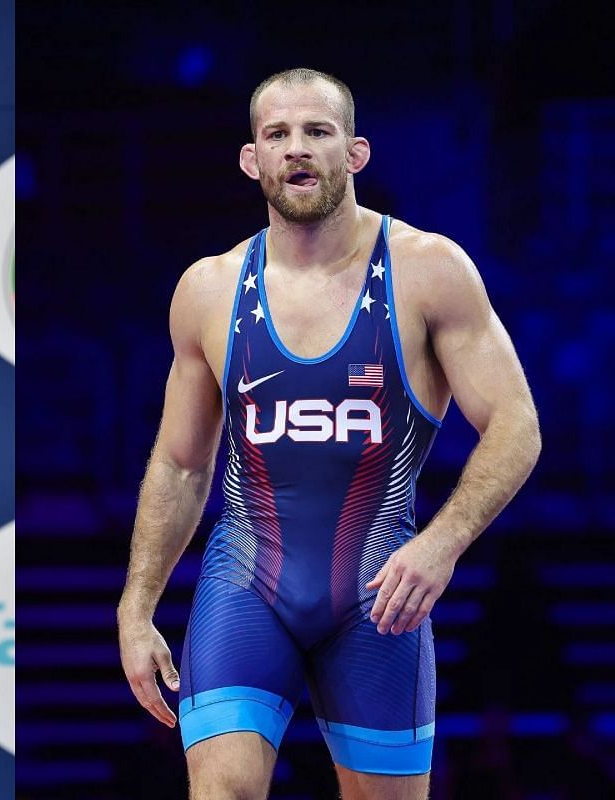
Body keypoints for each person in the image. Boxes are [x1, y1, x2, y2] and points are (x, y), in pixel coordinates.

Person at [116, 67, 540, 799]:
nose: (297, 149)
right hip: (246, 584)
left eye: (318, 130)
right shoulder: (210, 289)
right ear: (253, 159)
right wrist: (136, 604)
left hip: (379, 597)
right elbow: (183, 466)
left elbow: (516, 425)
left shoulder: (427, 271)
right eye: (277, 134)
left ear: (356, 152)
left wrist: (439, 545)